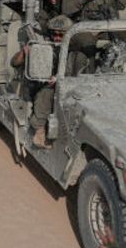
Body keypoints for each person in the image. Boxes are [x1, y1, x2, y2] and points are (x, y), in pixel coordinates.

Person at [10, 15, 76, 148]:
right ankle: (39, 130)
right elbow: (14, 63)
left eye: (61, 35)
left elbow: (76, 73)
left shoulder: (74, 51)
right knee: (47, 93)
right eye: (54, 34)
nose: (57, 38)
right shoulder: (42, 46)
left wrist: (60, 79)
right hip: (41, 87)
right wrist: (25, 53)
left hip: (67, 86)